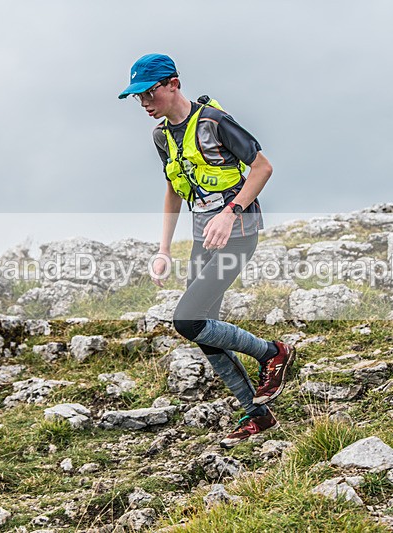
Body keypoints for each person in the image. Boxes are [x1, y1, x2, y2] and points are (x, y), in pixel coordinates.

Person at [118, 53, 296, 448]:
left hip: (239, 232)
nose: (145, 104)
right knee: (205, 332)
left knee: (186, 320)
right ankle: (258, 414)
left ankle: (273, 353)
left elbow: (263, 167)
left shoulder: (214, 122)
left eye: (150, 93)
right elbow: (172, 189)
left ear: (173, 84)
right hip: (203, 238)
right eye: (138, 97)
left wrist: (232, 213)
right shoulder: (161, 136)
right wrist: (163, 249)